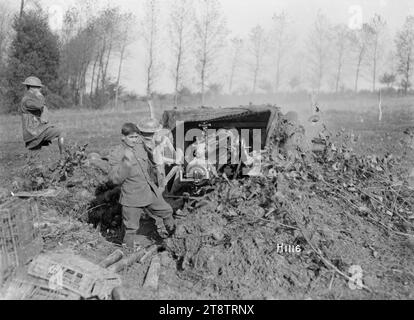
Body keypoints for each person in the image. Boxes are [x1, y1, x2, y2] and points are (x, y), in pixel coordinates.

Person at [108, 122, 176, 248]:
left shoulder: (140, 145)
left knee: (166, 211)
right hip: (132, 197)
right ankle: (127, 252)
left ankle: (175, 238)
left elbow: (151, 161)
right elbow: (114, 180)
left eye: (135, 137)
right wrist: (125, 164)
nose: (134, 140)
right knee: (131, 228)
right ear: (123, 137)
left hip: (148, 191)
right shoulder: (117, 153)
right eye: (131, 137)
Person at [19, 76, 65, 155]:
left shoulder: (31, 99)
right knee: (61, 131)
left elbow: (42, 110)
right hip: (34, 133)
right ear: (31, 87)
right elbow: (40, 105)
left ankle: (62, 158)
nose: (40, 89)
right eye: (38, 87)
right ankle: (63, 157)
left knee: (34, 161)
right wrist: (39, 95)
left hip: (37, 131)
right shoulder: (27, 100)